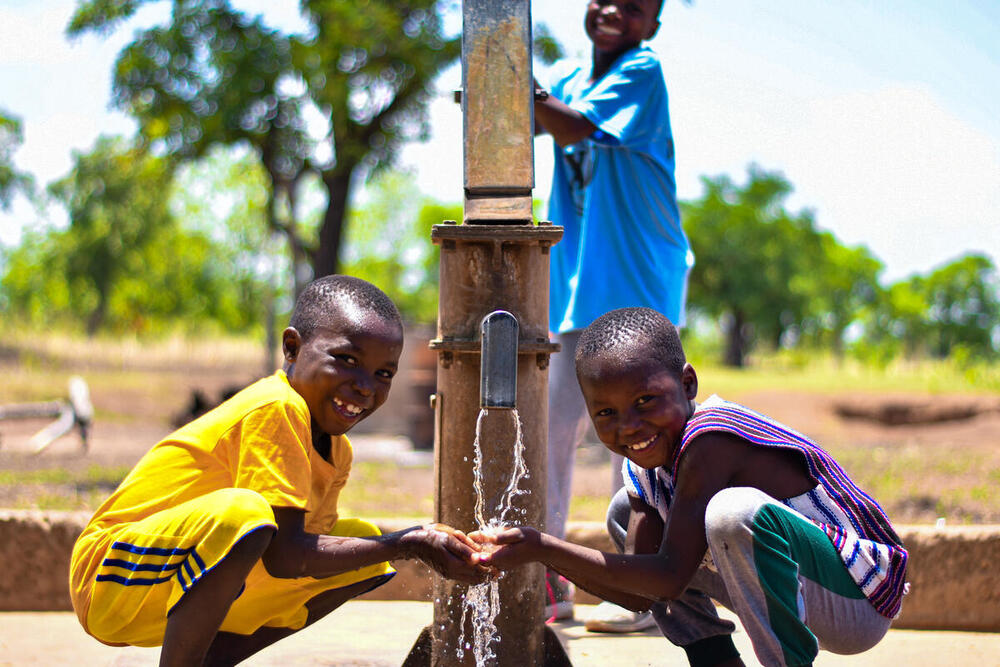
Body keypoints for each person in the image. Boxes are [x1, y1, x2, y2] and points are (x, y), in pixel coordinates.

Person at [68, 275, 485, 666]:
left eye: (383, 373)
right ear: (291, 348)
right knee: (246, 515)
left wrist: (406, 542)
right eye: (346, 359)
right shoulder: (277, 405)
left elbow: (298, 559)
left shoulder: (337, 450)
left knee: (363, 551)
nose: (365, 385)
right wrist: (407, 542)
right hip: (108, 575)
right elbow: (287, 556)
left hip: (161, 585)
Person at [473, 307, 909, 667]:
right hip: (805, 593)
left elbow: (667, 579)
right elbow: (641, 593)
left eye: (645, 401)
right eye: (606, 413)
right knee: (625, 510)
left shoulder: (711, 440)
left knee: (730, 514)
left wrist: (543, 548)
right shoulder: (644, 465)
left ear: (687, 385)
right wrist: (534, 552)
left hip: (857, 596)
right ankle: (715, 660)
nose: (629, 427)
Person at [533, 0, 693, 627]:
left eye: (634, 8)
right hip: (578, 283)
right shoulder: (570, 80)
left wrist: (511, 82)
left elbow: (570, 128)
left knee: (640, 437)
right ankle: (551, 590)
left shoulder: (642, 70)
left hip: (635, 279)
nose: (612, 12)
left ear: (651, 25)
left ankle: (642, 591)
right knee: (550, 430)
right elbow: (545, 116)